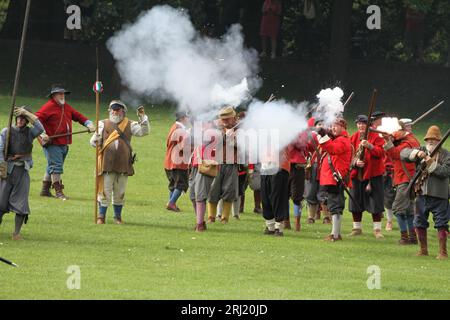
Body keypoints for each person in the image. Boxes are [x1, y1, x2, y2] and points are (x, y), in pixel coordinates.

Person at [90, 101, 149, 224]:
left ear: (123, 111)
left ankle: (117, 217)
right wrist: (95, 139)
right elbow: (93, 143)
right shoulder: (102, 123)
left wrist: (142, 117)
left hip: (123, 162)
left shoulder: (130, 124)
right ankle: (101, 216)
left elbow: (144, 131)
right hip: (106, 162)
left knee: (120, 191)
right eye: (113, 109)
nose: (115, 112)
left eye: (118, 110)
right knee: (104, 191)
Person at [36, 84, 95, 200]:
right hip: (52, 143)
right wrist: (42, 134)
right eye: (60, 94)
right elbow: (36, 119)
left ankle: (44, 190)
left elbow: (78, 116)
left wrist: (88, 123)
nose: (63, 96)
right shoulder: (48, 107)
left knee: (51, 166)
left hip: (63, 143)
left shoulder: (66, 107)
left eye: (63, 94)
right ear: (53, 96)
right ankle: (59, 192)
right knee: (56, 167)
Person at [400, 125, 450, 259]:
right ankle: (423, 250)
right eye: (429, 140)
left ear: (439, 141)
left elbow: (445, 172)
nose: (431, 142)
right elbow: (402, 153)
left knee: (441, 223)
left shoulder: (446, 155)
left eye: (434, 139)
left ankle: (443, 252)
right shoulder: (421, 150)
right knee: (419, 222)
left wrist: (431, 163)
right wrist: (416, 154)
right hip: (421, 194)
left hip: (439, 195)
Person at [0, 106, 44, 240]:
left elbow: (41, 128)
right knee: (0, 204)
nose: (20, 120)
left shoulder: (31, 132)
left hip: (22, 171)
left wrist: (27, 113)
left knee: (21, 204)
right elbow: (0, 149)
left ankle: (16, 233)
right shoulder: (6, 131)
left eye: (23, 118)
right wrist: (2, 166)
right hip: (6, 171)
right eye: (18, 118)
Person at [349, 115, 386, 239]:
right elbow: (349, 155)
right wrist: (355, 162)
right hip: (357, 174)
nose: (360, 126)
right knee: (355, 201)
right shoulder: (353, 137)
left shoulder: (376, 137)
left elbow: (381, 153)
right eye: (359, 124)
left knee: (375, 202)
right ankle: (357, 228)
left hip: (373, 175)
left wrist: (370, 146)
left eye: (363, 124)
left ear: (368, 125)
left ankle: (377, 230)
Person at [383, 123, 420, 244]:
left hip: (405, 179)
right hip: (406, 179)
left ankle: (404, 237)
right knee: (408, 210)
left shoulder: (407, 143)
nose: (393, 134)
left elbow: (395, 154)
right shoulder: (409, 140)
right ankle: (412, 237)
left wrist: (388, 141)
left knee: (398, 208)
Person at [317, 118, 352, 242]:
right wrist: (323, 135)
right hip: (332, 178)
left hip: (336, 177)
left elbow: (332, 149)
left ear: (343, 127)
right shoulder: (336, 139)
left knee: (335, 206)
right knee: (333, 205)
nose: (333, 128)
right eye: (332, 126)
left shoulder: (343, 141)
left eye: (336, 126)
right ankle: (334, 233)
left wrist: (324, 136)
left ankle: (335, 235)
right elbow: (326, 146)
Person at [207, 106, 240, 224]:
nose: (224, 121)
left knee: (229, 191)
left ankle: (224, 218)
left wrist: (232, 139)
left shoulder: (241, 130)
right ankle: (211, 217)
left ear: (233, 118)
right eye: (223, 119)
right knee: (212, 190)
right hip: (215, 162)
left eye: (227, 119)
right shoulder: (215, 127)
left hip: (232, 164)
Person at [164, 111, 191, 212]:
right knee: (181, 184)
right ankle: (171, 203)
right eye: (187, 117)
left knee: (173, 184)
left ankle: (172, 203)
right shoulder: (180, 130)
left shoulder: (175, 127)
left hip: (169, 161)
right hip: (178, 162)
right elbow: (184, 147)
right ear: (183, 118)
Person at [261, 148, 290, 236]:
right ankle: (270, 226)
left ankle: (279, 227)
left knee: (278, 198)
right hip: (265, 167)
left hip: (279, 167)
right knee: (265, 198)